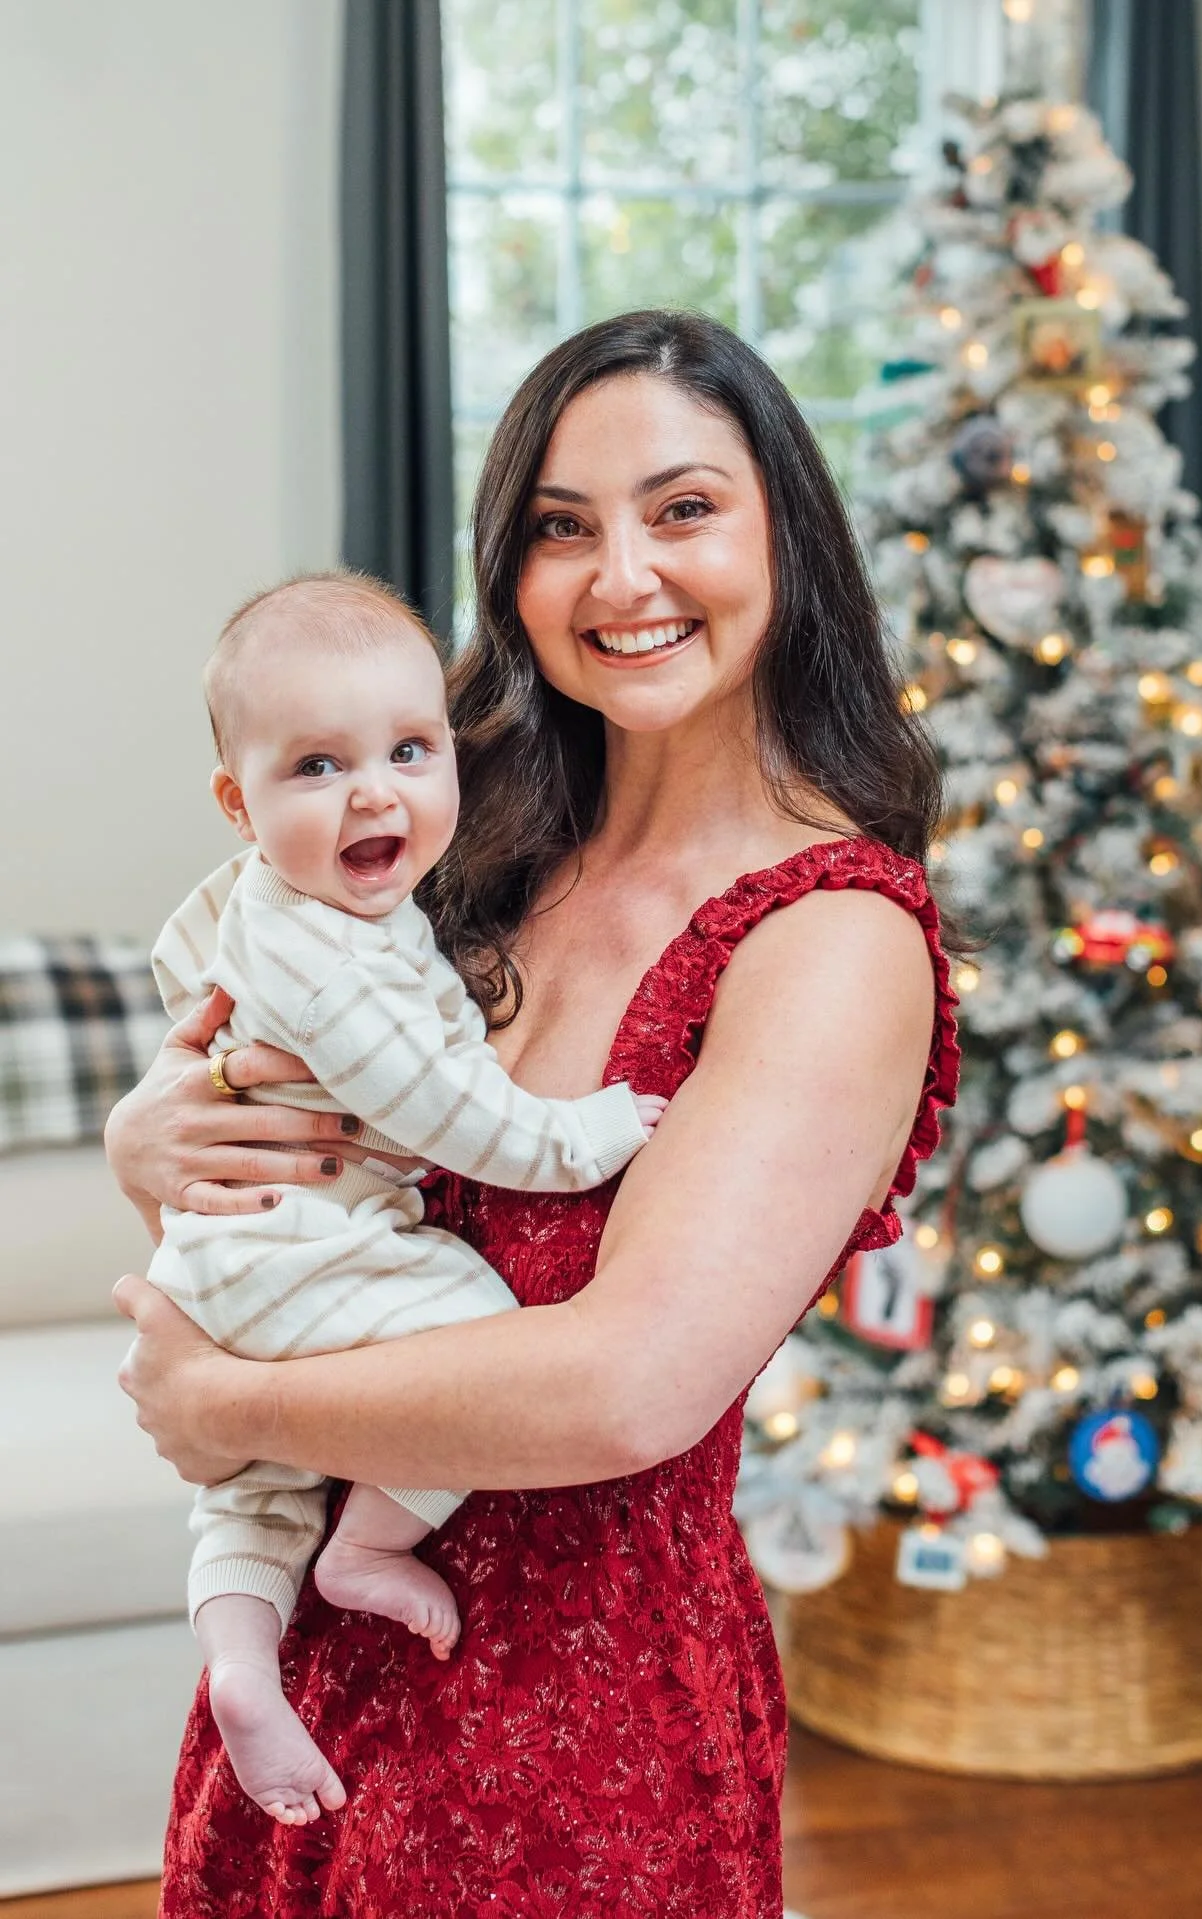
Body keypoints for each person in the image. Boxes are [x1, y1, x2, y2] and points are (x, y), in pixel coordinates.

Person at [109, 308, 960, 1918]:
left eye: (684, 508)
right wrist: (145, 1136)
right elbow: (266, 1124)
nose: (622, 576)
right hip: (308, 1684)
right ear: (509, 575)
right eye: (563, 528)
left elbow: (627, 1384)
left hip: (577, 1746)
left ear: (789, 531)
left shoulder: (831, 937)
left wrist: (227, 1410)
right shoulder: (440, 829)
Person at [145, 572, 663, 1826]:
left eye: (409, 750)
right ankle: (371, 1542)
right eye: (318, 765)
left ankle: (239, 1659)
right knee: (476, 1326)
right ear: (239, 803)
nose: (375, 790)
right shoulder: (323, 957)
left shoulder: (323, 906)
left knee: (255, 1483)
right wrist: (583, 1135)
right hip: (302, 1245)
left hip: (243, 1258)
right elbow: (447, 1111)